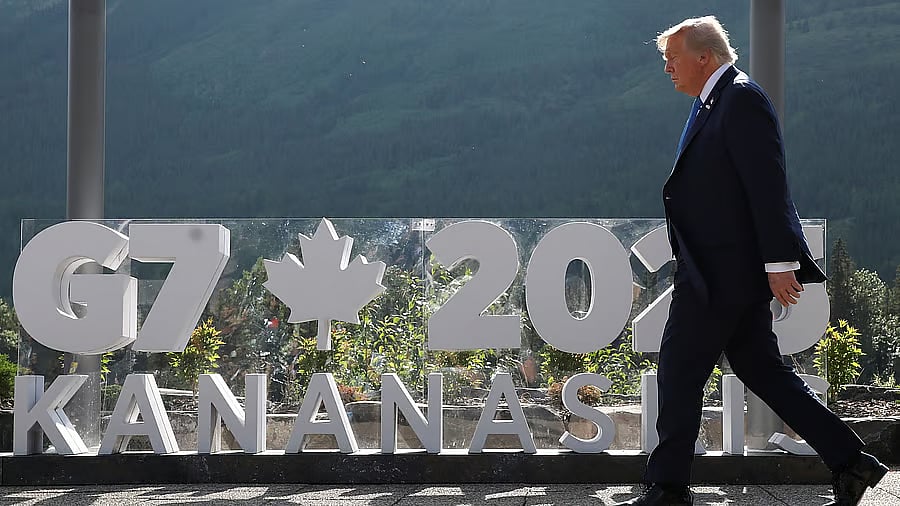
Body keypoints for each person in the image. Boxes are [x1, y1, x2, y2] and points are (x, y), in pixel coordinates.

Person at [613, 16, 888, 506]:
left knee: (679, 366)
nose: (666, 69)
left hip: (723, 272)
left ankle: (669, 487)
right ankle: (851, 460)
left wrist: (779, 260)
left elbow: (767, 181)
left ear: (705, 56)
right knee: (760, 369)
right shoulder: (714, 102)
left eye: (672, 59)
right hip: (718, 269)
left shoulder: (741, 98)